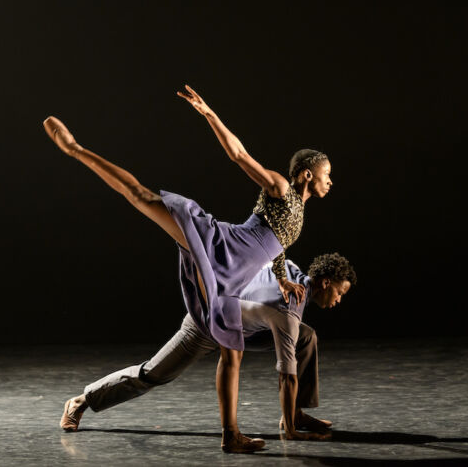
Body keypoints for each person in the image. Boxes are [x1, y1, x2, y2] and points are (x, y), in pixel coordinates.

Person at [43, 85, 333, 452]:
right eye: (327, 174)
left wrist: (280, 278)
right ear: (307, 174)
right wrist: (209, 113)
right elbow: (239, 154)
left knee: (187, 366)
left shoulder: (298, 213)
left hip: (228, 288)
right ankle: (76, 149)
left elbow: (275, 243)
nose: (330, 181)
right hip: (218, 248)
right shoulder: (279, 187)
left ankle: (231, 436)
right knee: (143, 196)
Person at [60, 253, 357, 445]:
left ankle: (295, 413)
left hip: (242, 326)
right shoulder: (288, 311)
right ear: (326, 282)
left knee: (307, 337)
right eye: (340, 292)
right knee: (154, 373)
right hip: (206, 325)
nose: (339, 300)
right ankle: (82, 400)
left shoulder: (288, 268)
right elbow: (287, 376)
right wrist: (289, 435)